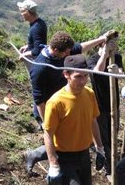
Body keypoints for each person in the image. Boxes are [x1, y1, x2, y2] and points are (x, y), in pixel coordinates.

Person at [24, 31, 111, 176]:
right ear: (56, 50)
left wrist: (102, 39)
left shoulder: (63, 51)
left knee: (70, 136)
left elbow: (81, 48)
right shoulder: (40, 67)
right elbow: (39, 99)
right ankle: (50, 165)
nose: (70, 53)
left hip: (66, 103)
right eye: (67, 52)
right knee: (59, 140)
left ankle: (36, 155)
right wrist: (47, 123)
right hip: (48, 109)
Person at [44, 54, 105, 185]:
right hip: (65, 159)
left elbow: (93, 122)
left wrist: (100, 148)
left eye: (85, 76)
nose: (83, 81)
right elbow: (48, 134)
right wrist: (54, 165)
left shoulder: (89, 94)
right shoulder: (56, 102)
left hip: (84, 156)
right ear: (66, 74)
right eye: (78, 77)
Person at [87, 32, 123, 181]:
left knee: (114, 133)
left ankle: (113, 164)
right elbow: (97, 71)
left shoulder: (117, 56)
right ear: (103, 44)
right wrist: (106, 55)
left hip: (114, 104)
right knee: (104, 138)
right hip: (99, 105)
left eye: (115, 46)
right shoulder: (92, 59)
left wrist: (117, 71)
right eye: (111, 45)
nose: (115, 49)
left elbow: (121, 72)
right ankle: (109, 169)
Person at [17, 0, 47, 76]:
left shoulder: (36, 28)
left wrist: (24, 55)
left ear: (27, 12)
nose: (21, 14)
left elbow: (36, 51)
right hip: (40, 60)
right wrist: (28, 46)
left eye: (22, 12)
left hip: (36, 62)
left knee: (35, 80)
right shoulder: (39, 22)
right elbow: (39, 41)